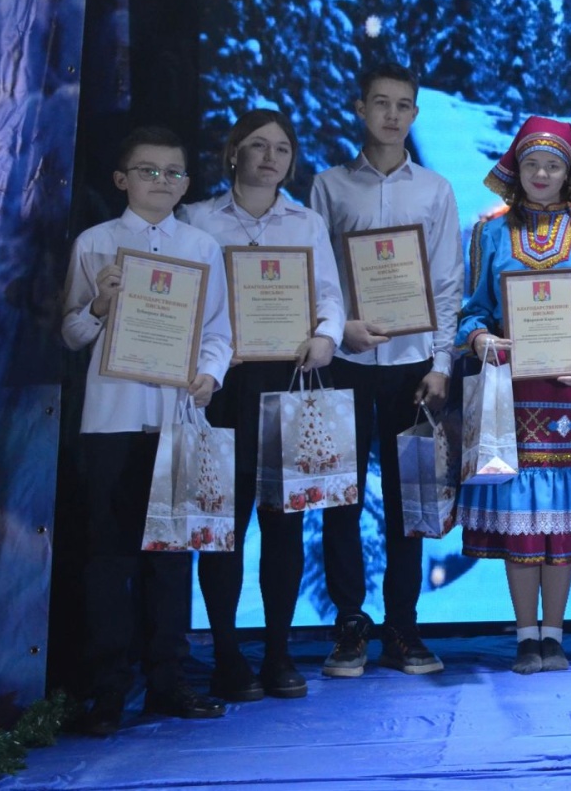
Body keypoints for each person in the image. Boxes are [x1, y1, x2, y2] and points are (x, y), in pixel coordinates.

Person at [62, 127, 232, 734]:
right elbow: (71, 335)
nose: (161, 181)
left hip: (176, 417)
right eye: (148, 171)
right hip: (110, 419)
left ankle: (168, 682)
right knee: (108, 559)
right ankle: (107, 689)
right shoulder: (95, 243)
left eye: (173, 172)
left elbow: (218, 332)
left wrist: (210, 375)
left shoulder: (201, 246)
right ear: (122, 179)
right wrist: (98, 307)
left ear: (186, 184)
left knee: (171, 557)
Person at [181, 110, 343, 701]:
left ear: (292, 161)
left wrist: (326, 336)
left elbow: (330, 297)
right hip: (220, 388)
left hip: (287, 384)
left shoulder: (306, 222)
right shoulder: (197, 218)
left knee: (285, 524)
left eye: (281, 148)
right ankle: (226, 655)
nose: (269, 156)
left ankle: (277, 654)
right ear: (233, 153)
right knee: (220, 526)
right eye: (257, 145)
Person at [309, 63, 463, 678]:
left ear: (415, 114)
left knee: (410, 499)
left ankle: (402, 626)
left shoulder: (435, 189)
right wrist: (337, 327)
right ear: (360, 108)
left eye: (403, 105)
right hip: (346, 358)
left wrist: (442, 362)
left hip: (412, 364)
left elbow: (447, 281)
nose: (392, 115)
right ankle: (350, 626)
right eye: (381, 103)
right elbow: (317, 275)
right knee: (341, 496)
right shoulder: (328, 186)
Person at [459, 115, 571, 675]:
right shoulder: (489, 235)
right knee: (522, 518)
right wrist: (481, 339)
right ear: (516, 169)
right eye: (531, 163)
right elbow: (473, 313)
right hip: (512, 396)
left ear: (569, 172)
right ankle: (524, 636)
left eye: (553, 164)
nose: (541, 173)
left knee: (562, 517)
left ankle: (553, 635)